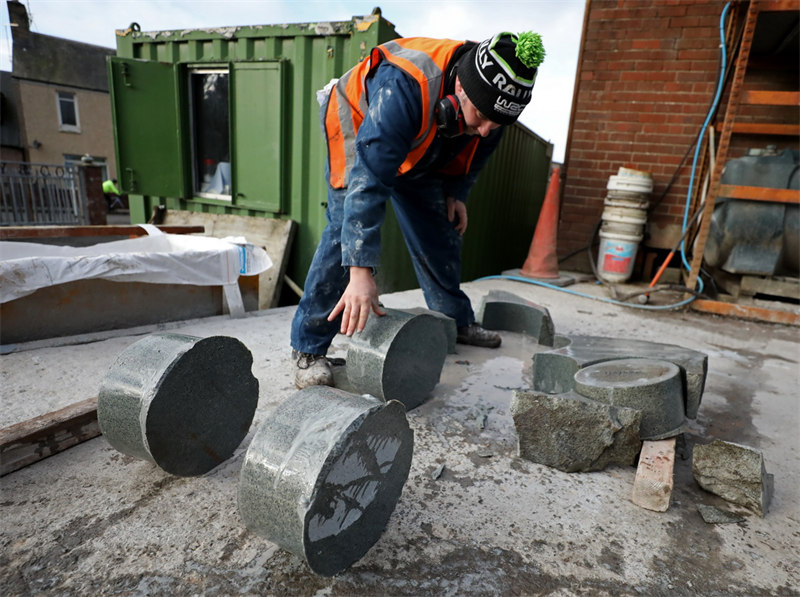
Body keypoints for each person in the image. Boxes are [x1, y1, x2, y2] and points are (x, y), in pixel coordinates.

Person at [290, 31, 545, 389]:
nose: (487, 130)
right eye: (481, 117)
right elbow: (369, 181)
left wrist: (456, 193)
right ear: (460, 88)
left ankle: (455, 320)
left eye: (497, 123)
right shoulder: (405, 85)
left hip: (418, 137)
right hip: (359, 121)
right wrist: (360, 271)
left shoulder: (492, 106)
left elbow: (477, 150)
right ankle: (308, 347)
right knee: (344, 230)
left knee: (437, 226)